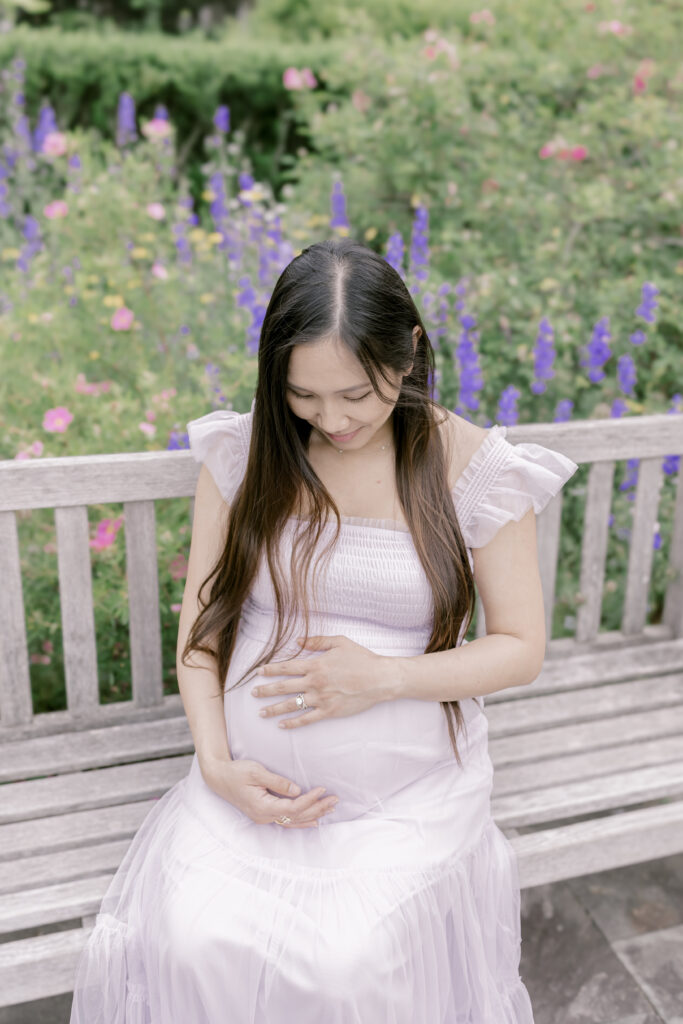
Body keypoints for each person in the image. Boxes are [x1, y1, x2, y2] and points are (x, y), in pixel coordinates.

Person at [70, 237, 578, 1023]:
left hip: (398, 801)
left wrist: (386, 676)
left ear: (406, 354)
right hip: (245, 793)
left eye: (355, 394)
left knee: (346, 968)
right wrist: (214, 765)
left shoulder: (474, 468)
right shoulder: (246, 454)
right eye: (304, 395)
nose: (331, 419)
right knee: (193, 942)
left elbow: (520, 649)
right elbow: (202, 632)